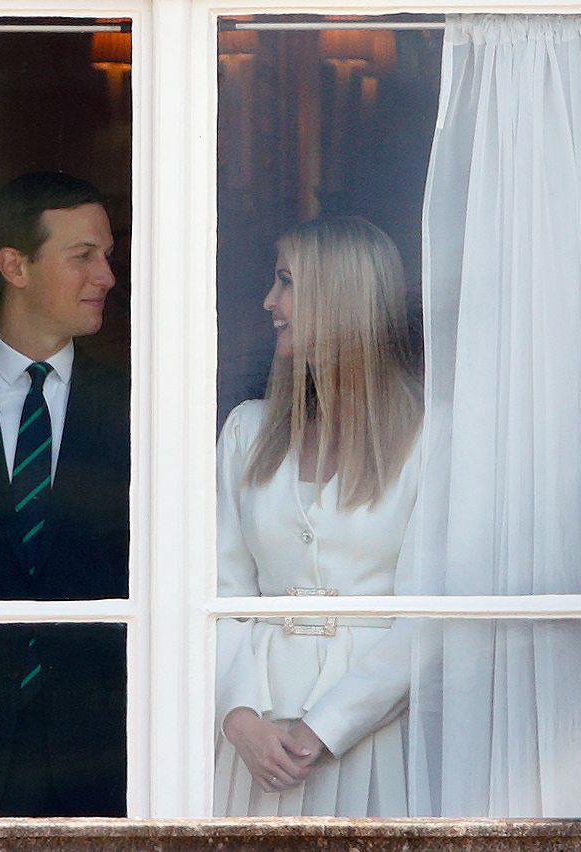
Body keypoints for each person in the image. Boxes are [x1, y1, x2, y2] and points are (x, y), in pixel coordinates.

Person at [0, 172, 129, 817]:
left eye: (108, 257)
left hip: (109, 757)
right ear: (15, 265)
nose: (106, 277)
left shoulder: (139, 407)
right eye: (83, 256)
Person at [214, 216, 423, 816]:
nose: (268, 301)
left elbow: (432, 615)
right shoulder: (246, 430)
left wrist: (326, 728)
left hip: (369, 739)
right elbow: (218, 594)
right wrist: (238, 715)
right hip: (253, 746)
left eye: (286, 282)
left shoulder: (431, 438)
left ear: (342, 299)